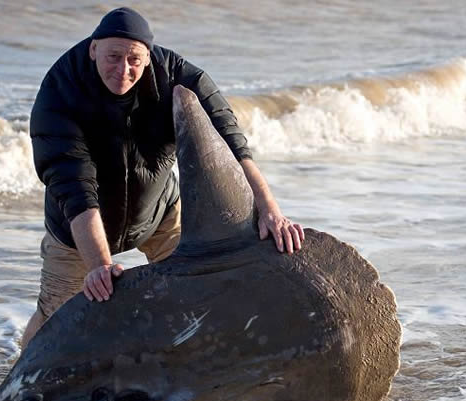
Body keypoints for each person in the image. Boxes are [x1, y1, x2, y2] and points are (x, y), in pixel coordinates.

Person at [22, 7, 304, 348]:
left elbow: (231, 143)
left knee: (199, 297)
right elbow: (75, 187)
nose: (123, 70)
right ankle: (14, 378)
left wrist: (270, 210)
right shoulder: (60, 92)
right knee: (56, 321)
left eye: (134, 60)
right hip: (76, 230)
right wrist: (99, 266)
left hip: (158, 215)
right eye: (113, 57)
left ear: (148, 56)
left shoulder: (177, 76)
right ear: (93, 49)